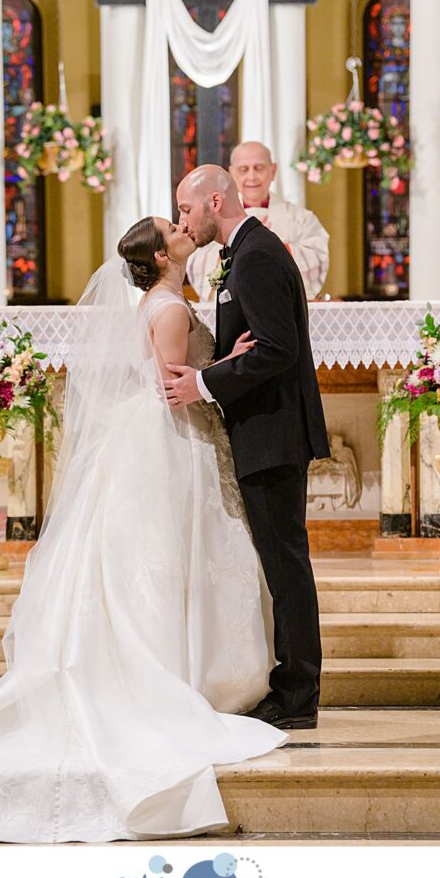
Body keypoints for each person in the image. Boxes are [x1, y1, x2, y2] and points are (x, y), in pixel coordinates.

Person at [0, 217, 287, 845]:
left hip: (142, 441)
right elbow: (172, 390)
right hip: (167, 442)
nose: (184, 231)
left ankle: (182, 664)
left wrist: (218, 364)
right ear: (159, 253)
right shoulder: (171, 306)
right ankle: (184, 672)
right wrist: (223, 369)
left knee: (149, 560)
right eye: (173, 229)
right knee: (171, 555)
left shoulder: (160, 300)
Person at [166, 165, 330, 730]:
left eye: (187, 210)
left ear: (215, 200)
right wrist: (226, 362)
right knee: (282, 561)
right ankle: (293, 686)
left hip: (273, 431)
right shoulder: (247, 250)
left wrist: (202, 384)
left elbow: (279, 350)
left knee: (285, 564)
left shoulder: (256, 254)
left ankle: (297, 695)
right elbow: (259, 342)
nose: (184, 221)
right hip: (265, 429)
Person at [186, 141, 330, 301]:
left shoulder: (301, 218)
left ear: (273, 171)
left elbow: (317, 256)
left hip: (284, 304)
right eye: (243, 169)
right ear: (231, 174)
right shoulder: (215, 217)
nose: (252, 176)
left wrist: (279, 248)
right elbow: (198, 260)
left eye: (259, 168)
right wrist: (239, 250)